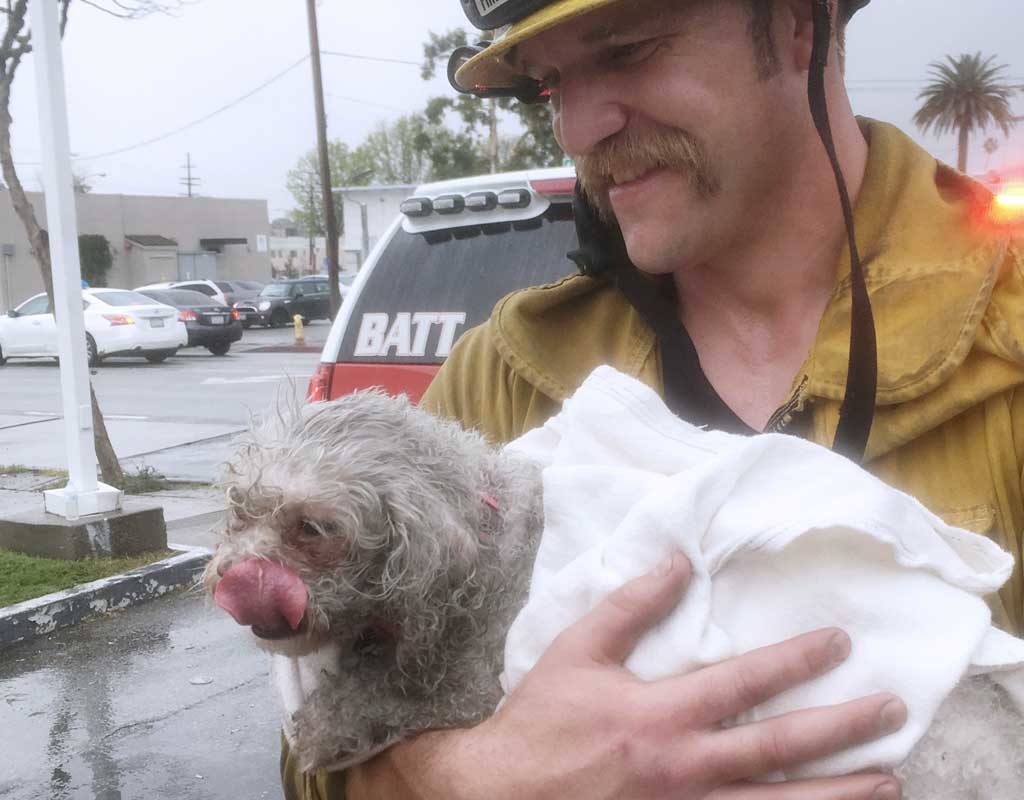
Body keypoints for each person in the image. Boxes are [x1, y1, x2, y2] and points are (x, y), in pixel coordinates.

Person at [283, 1, 1023, 797]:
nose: (577, 129)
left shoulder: (1002, 344)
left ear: (800, 26)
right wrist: (462, 778)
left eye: (628, 51)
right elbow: (315, 745)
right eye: (552, 83)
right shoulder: (502, 376)